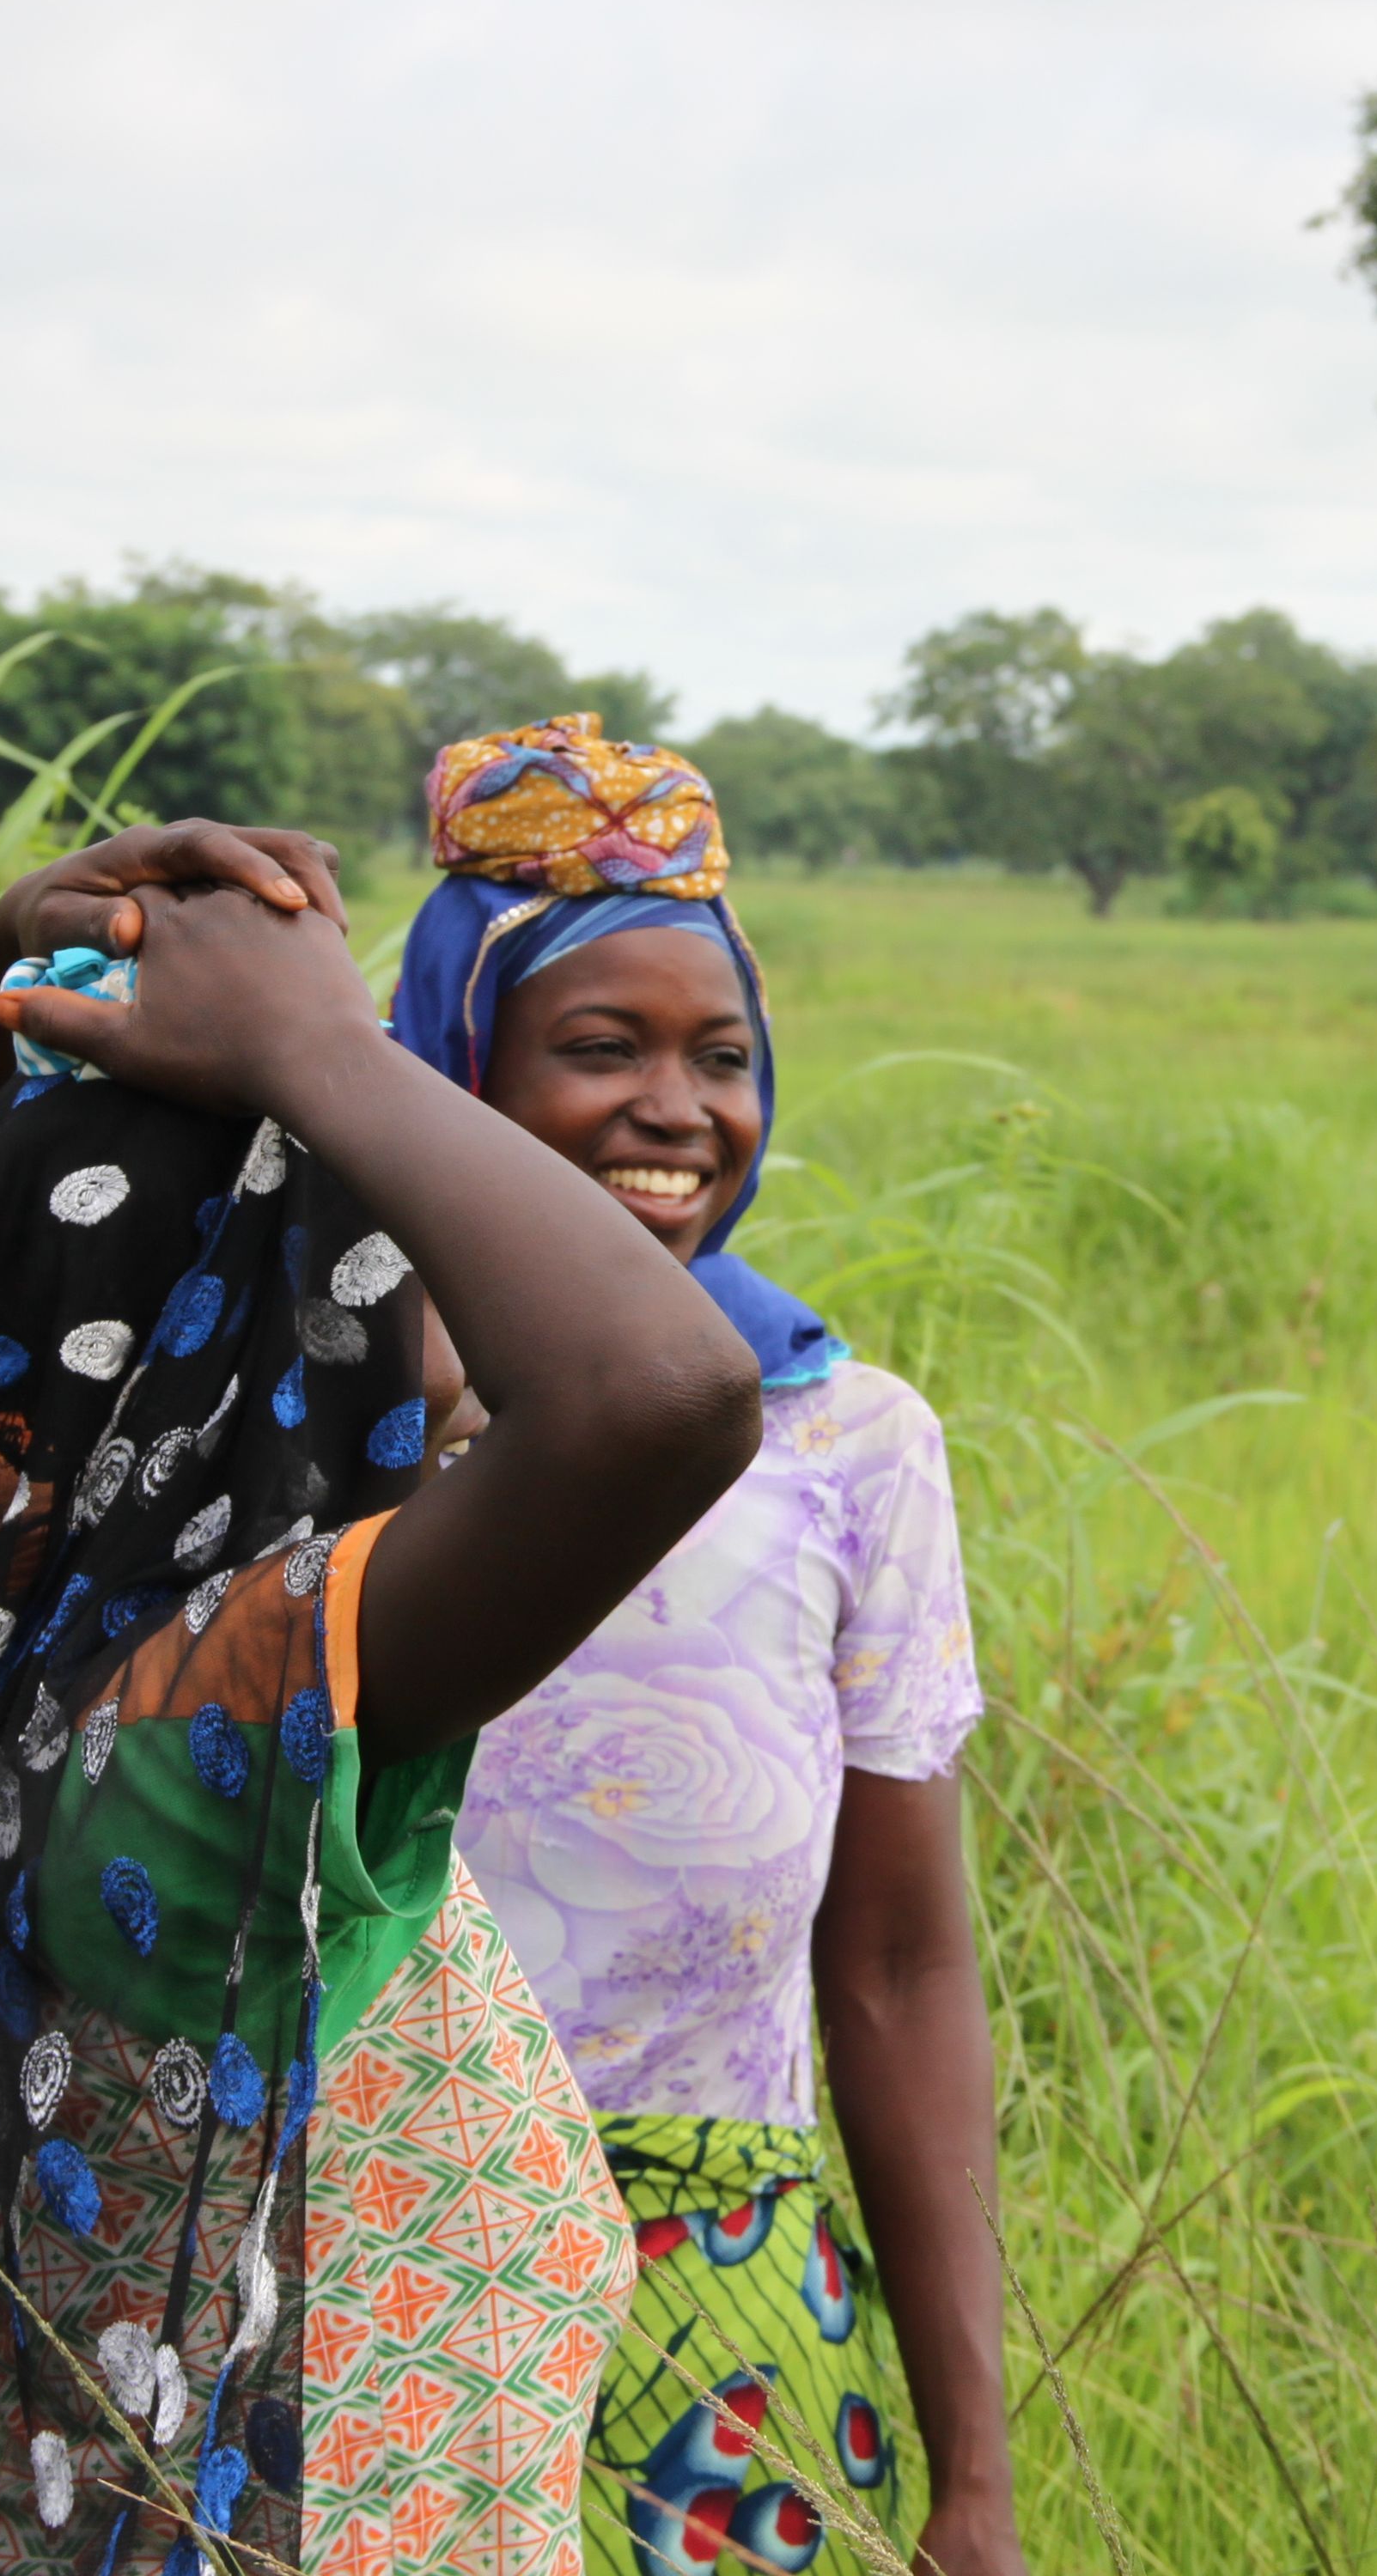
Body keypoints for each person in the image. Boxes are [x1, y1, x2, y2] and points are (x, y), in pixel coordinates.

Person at [0, 822, 767, 2576]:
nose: (451, 1348)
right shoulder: (205, 1722)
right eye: (388, 1285)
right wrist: (320, 1055)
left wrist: (6, 959)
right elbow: (657, 1397)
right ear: (242, 1359)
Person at [385, 716, 1025, 2576]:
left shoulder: (844, 1439)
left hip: (723, 2302)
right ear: (445, 1083)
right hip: (370, 2244)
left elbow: (900, 1965)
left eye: (723, 1056)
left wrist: (971, 2476)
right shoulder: (321, 1430)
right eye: (600, 1048)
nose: (682, 1108)